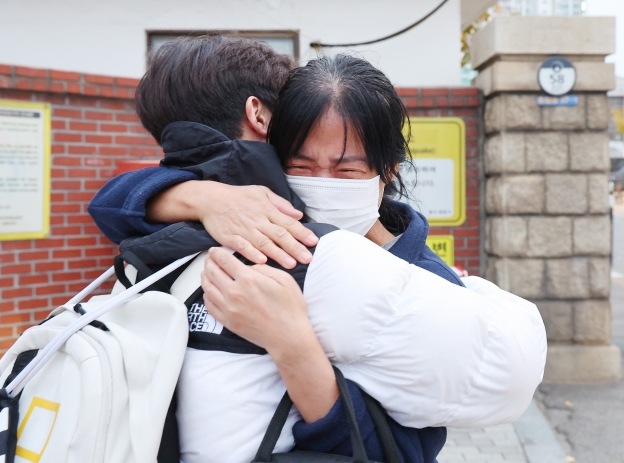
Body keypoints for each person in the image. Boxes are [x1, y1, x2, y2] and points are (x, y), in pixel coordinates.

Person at [88, 37, 546, 462]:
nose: (321, 184)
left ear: (387, 170)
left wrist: (294, 348)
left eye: (346, 169)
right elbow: (111, 201)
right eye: (301, 164)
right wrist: (206, 199)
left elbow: (406, 449)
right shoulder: (252, 220)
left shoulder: (424, 283)